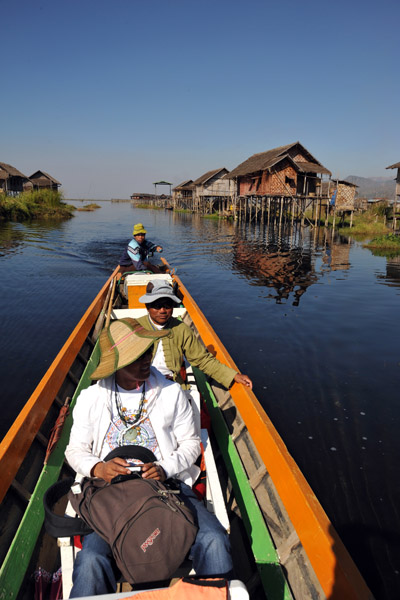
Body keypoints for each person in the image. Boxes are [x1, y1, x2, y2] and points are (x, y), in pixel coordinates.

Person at [65, 318, 233, 597]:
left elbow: (191, 444)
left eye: (148, 352)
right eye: (136, 356)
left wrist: (165, 468)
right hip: (110, 495)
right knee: (92, 560)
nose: (146, 360)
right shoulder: (91, 398)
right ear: (117, 362)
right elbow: (75, 450)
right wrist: (98, 467)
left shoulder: (171, 393)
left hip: (166, 489)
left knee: (214, 539)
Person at [136, 280, 253, 390]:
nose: (162, 310)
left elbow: (202, 359)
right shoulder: (135, 327)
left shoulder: (181, 329)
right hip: (140, 382)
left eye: (167, 305)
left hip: (170, 384)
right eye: (157, 305)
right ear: (148, 307)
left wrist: (233, 375)